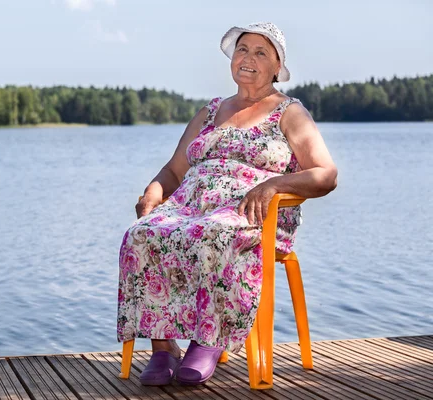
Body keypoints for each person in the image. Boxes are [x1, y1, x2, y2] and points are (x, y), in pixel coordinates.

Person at [117, 22, 338, 386]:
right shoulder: (209, 112)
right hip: (189, 208)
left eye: (260, 52)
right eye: (242, 49)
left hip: (251, 214)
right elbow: (174, 170)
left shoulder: (288, 112)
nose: (248, 58)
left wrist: (274, 185)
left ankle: (208, 340)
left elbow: (326, 174)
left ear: (276, 67)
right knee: (142, 233)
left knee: (216, 233)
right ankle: (163, 347)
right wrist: (155, 191)